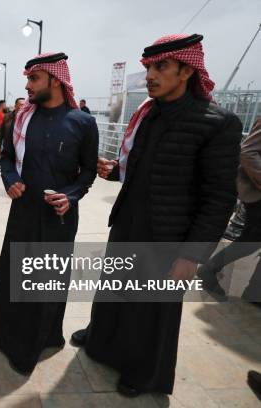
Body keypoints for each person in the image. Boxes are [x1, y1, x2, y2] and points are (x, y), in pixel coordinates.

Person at [71, 34, 242, 397]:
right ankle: (101, 342)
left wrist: (191, 254)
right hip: (130, 220)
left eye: (160, 66)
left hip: (170, 234)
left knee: (152, 310)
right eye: (148, 66)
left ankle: (144, 372)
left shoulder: (217, 123)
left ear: (186, 70)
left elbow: (220, 196)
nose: (150, 74)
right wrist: (116, 170)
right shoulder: (150, 114)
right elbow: (146, 167)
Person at [0, 52, 99, 374]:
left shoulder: (84, 123)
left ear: (55, 79)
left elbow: (88, 170)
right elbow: (6, 156)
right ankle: (6, 334)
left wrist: (72, 196)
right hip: (23, 212)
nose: (28, 85)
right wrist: (10, 180)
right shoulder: (21, 118)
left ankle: (39, 341)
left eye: (34, 78)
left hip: (59, 217)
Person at [198, 118, 261, 306]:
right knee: (252, 239)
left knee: (253, 239)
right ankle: (210, 269)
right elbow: (248, 152)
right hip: (257, 192)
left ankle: (255, 291)